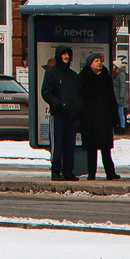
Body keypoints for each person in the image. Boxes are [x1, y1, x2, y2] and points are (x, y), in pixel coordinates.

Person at [76, 53, 122, 180]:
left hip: (104, 118)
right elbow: (79, 98)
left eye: (100, 60)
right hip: (89, 118)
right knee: (91, 148)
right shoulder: (83, 77)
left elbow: (111, 97)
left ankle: (110, 172)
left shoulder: (105, 77)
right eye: (96, 61)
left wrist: (114, 117)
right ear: (90, 63)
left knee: (106, 148)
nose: (99, 63)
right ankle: (91, 173)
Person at [41, 46, 81, 181]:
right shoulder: (51, 73)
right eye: (63, 54)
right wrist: (57, 104)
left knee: (70, 144)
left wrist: (77, 107)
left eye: (68, 54)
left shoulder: (73, 75)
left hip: (71, 115)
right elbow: (46, 92)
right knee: (57, 144)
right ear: (59, 56)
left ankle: (68, 170)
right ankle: (56, 170)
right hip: (58, 115)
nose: (66, 57)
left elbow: (79, 93)